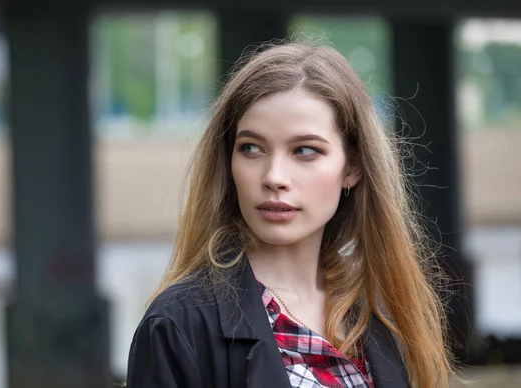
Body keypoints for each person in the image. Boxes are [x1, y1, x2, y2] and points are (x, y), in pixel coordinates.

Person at [126, 41, 454, 388]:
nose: (274, 178)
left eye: (305, 151)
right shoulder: (178, 324)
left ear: (352, 167)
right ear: (229, 161)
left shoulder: (380, 312)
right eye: (251, 148)